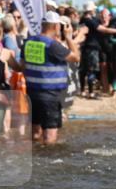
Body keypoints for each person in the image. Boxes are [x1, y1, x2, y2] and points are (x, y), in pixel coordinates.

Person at [23, 11, 84, 145]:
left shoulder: (28, 42)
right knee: (50, 138)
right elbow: (76, 57)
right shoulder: (52, 45)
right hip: (50, 96)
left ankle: (35, 159)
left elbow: (23, 65)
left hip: (32, 93)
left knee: (35, 134)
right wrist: (68, 37)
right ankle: (48, 162)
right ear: (56, 27)